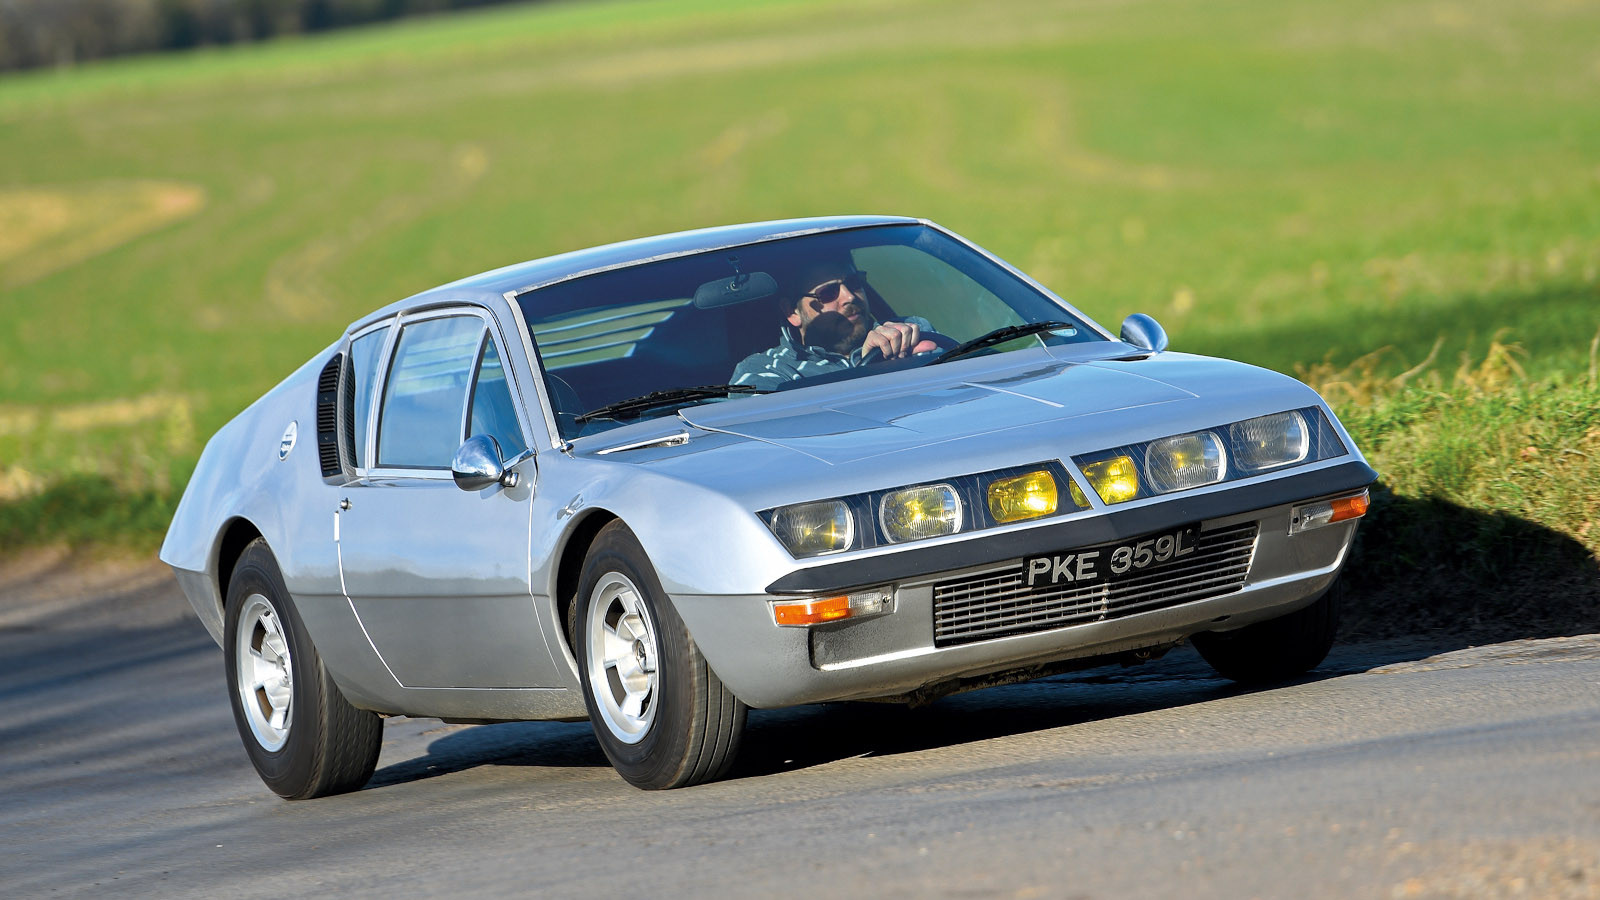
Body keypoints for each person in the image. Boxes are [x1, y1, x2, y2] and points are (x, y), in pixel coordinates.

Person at [730, 256, 939, 386]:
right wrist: (869, 370)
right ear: (792, 312)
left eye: (854, 283)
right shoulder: (765, 370)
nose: (849, 297)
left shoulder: (911, 331)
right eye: (828, 293)